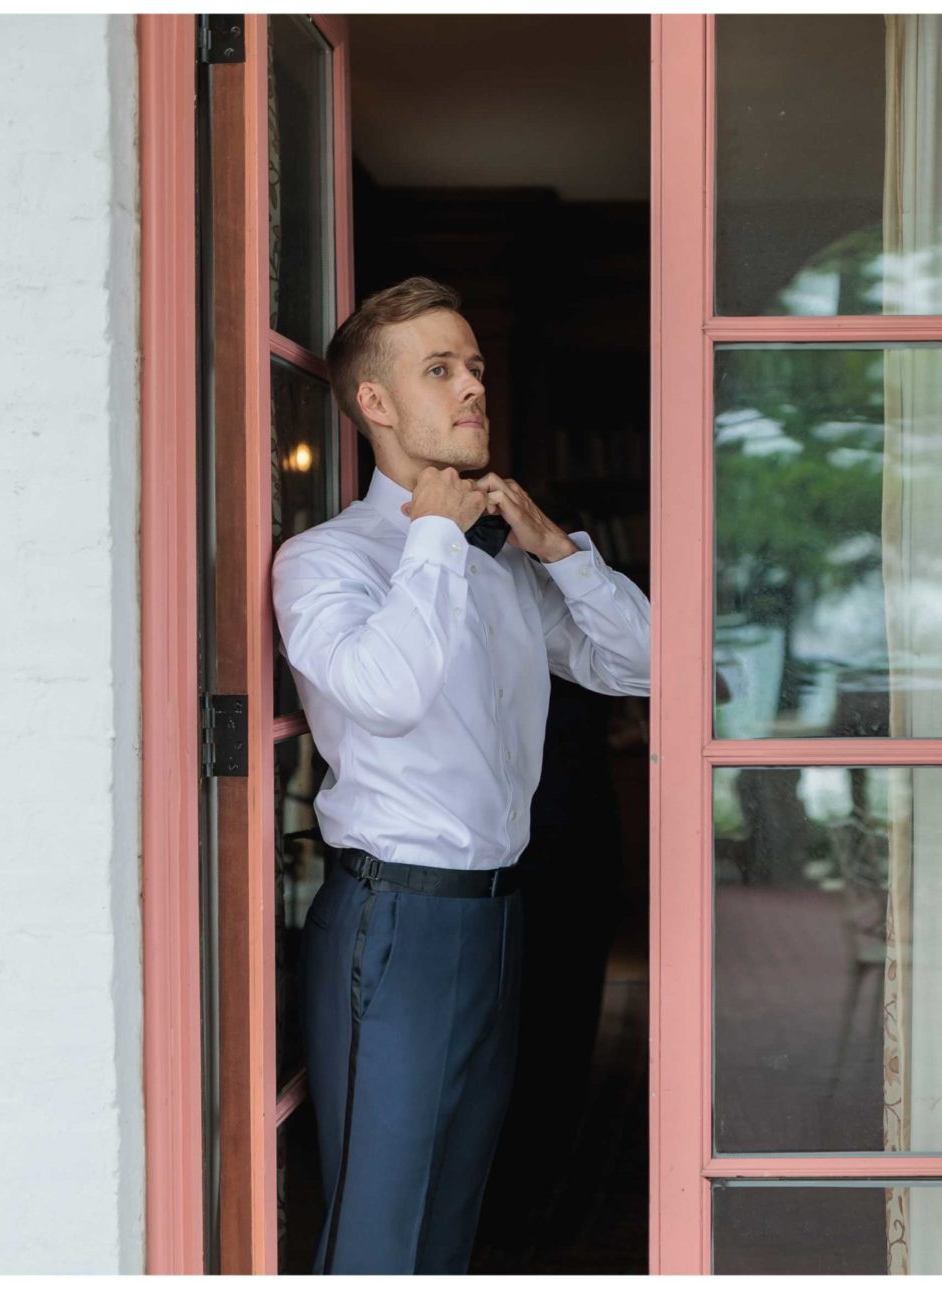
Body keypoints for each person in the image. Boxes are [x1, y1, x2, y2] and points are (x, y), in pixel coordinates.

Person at [270, 276, 651, 1274]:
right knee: (381, 1226)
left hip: (500, 917)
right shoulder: (325, 560)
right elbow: (385, 692)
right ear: (377, 405)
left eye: (474, 365)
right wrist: (435, 533)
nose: (473, 387)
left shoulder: (503, 559)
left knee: (452, 1220)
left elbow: (647, 664)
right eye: (440, 369)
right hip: (392, 924)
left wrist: (563, 556)